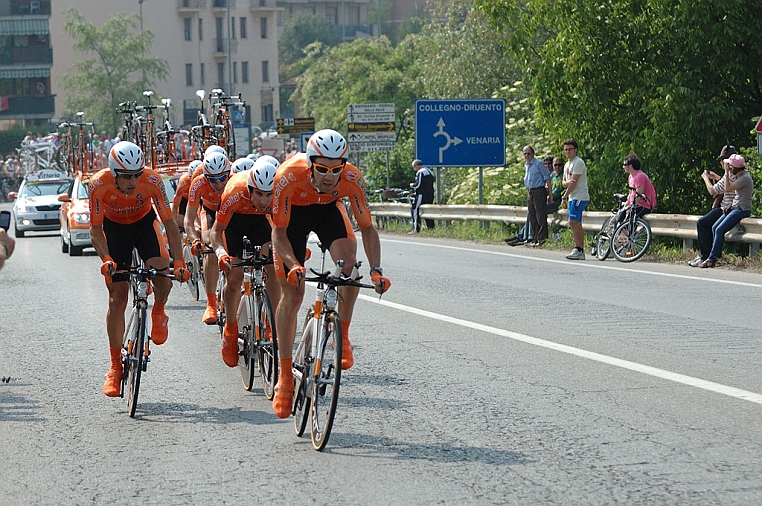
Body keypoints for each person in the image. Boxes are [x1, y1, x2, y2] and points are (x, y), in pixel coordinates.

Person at [269, 129, 391, 418]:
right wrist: (294, 264)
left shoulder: (351, 178)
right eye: (322, 168)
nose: (329, 176)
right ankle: (285, 377)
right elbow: (278, 233)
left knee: (350, 269)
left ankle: (343, 336)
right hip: (292, 219)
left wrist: (376, 270)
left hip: (329, 212)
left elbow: (367, 228)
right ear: (311, 163)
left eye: (336, 169)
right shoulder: (287, 176)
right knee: (293, 294)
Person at [88, 141, 189, 397]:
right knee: (117, 297)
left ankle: (158, 311)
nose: (132, 182)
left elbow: (169, 223)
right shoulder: (98, 185)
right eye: (126, 176)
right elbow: (95, 231)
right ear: (113, 173)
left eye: (136, 174)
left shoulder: (153, 180)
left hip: (145, 225)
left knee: (162, 275)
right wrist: (106, 258)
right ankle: (114, 367)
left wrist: (179, 261)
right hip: (114, 230)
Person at [211, 159, 279, 367]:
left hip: (259, 223)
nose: (263, 200)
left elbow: (282, 229)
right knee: (235, 276)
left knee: (273, 268)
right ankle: (231, 329)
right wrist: (221, 253)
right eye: (258, 193)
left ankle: (270, 323)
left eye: (268, 195)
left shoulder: (279, 196)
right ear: (250, 189)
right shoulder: (234, 192)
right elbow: (216, 232)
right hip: (234, 224)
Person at [184, 151, 232, 324]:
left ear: (229, 172)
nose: (218, 184)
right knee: (210, 246)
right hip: (210, 211)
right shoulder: (197, 182)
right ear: (205, 176)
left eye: (222, 178)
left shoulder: (236, 177)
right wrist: (195, 239)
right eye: (213, 179)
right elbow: (188, 220)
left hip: (232, 212)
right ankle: (211, 303)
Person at [698, 153, 753, 268]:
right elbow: (737, 194)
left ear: (734, 167)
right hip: (735, 207)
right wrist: (731, 204)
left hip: (741, 210)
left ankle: (712, 259)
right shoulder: (740, 176)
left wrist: (726, 172)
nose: (727, 166)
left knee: (719, 230)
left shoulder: (744, 178)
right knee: (714, 227)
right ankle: (715, 256)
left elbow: (727, 188)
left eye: (730, 165)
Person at [690, 145, 737, 267]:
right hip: (728, 207)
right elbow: (726, 185)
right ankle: (709, 254)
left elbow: (712, 191)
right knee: (710, 224)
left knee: (702, 223)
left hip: (725, 208)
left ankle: (704, 255)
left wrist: (706, 178)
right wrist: (716, 177)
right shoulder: (734, 174)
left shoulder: (729, 175)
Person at [561, 139, 589, 260]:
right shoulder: (567, 164)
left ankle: (579, 249)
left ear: (575, 150)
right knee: (576, 223)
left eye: (570, 149)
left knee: (573, 222)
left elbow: (574, 183)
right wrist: (567, 184)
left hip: (579, 196)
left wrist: (565, 196)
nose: (568, 152)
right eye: (566, 149)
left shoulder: (578, 162)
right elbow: (564, 182)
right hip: (573, 196)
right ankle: (578, 249)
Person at [522, 146, 553, 246]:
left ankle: (542, 238)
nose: (527, 156)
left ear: (533, 154)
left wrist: (550, 194)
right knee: (532, 216)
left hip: (539, 190)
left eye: (529, 153)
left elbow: (547, 177)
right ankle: (535, 238)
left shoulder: (538, 163)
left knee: (540, 215)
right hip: (530, 191)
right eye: (525, 154)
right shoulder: (526, 165)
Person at [622, 153, 657, 219]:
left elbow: (639, 195)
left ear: (630, 166)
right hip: (635, 205)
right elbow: (631, 194)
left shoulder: (640, 176)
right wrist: (625, 206)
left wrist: (631, 208)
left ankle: (626, 229)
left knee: (626, 224)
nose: (623, 167)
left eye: (624, 165)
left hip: (643, 206)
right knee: (619, 220)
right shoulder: (631, 176)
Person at [410, 159, 435, 233]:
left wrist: (412, 185)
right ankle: (431, 228)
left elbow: (418, 184)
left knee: (414, 209)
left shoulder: (420, 172)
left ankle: (416, 228)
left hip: (421, 194)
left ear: (417, 165)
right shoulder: (430, 171)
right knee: (428, 211)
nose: (414, 169)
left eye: (414, 167)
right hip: (430, 194)